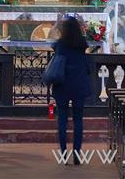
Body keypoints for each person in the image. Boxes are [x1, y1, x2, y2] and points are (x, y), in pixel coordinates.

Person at [49, 16, 92, 164]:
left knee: (62, 120)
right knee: (78, 120)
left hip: (62, 83)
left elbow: (54, 49)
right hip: (79, 83)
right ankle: (77, 154)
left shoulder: (60, 44)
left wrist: (57, 26)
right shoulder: (82, 43)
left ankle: (63, 154)